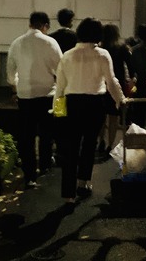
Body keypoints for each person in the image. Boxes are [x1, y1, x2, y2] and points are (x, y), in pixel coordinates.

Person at [54, 18, 126, 205]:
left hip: (72, 103)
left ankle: (68, 194)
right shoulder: (102, 54)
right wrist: (120, 100)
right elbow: (111, 81)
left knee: (71, 147)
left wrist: (58, 112)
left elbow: (60, 87)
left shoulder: (67, 55)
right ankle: (83, 182)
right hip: (95, 104)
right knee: (89, 144)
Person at [7, 11, 63, 187]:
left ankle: (29, 175)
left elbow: (10, 73)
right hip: (47, 94)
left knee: (27, 136)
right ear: (45, 26)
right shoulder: (50, 42)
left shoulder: (17, 43)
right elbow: (61, 69)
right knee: (46, 132)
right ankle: (45, 165)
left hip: (25, 96)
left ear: (30, 24)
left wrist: (16, 87)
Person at [99, 23, 134, 155]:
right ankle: (110, 144)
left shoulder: (99, 48)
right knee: (113, 117)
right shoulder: (122, 48)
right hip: (116, 83)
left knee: (101, 117)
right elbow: (130, 66)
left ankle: (101, 141)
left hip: (101, 84)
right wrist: (132, 79)